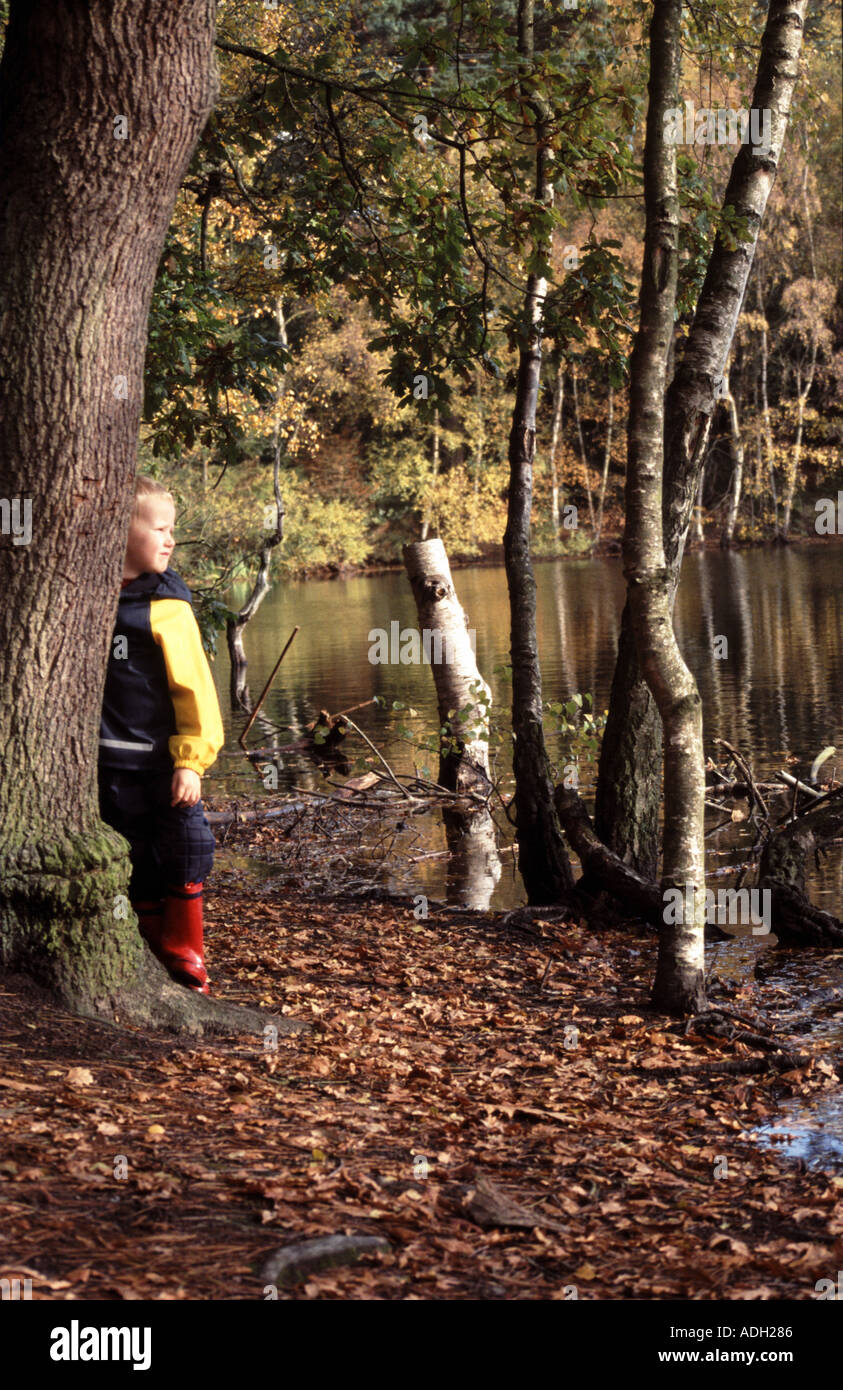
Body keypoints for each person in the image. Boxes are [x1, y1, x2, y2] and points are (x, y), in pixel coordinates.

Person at [98, 476, 224, 994]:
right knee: (131, 856)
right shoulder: (87, 597)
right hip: (107, 764)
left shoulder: (168, 607)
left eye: (173, 530)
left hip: (164, 764)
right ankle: (148, 942)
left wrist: (190, 761)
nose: (171, 540)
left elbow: (194, 690)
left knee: (187, 846)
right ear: (118, 529)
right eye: (160, 529)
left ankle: (185, 950)